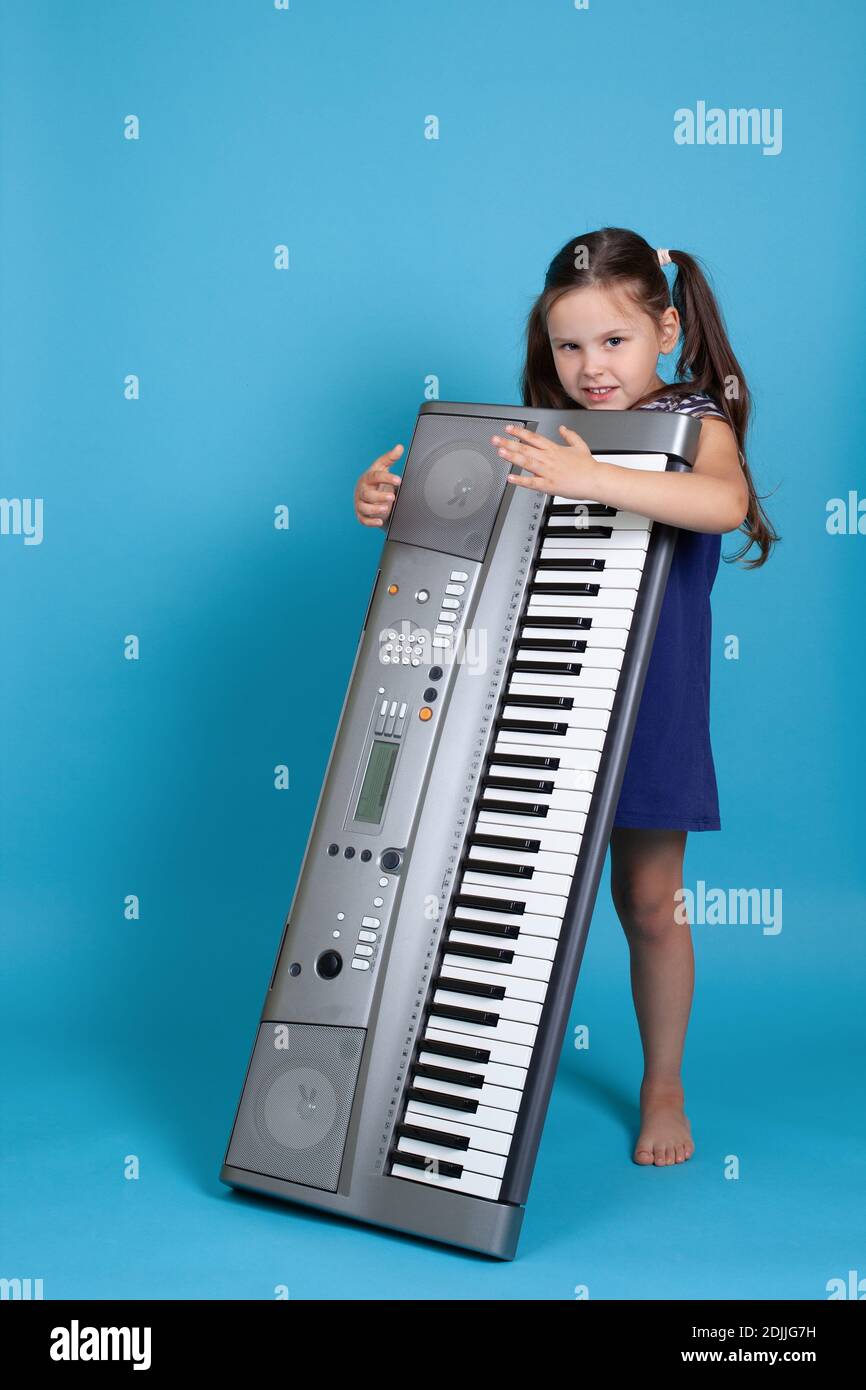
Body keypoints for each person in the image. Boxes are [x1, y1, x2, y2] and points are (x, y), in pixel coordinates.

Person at [353, 226, 778, 1167]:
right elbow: (474, 536)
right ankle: (447, 1089)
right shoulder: (542, 435)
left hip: (653, 704)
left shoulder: (691, 421)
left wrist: (594, 477)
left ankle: (662, 1083)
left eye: (614, 341)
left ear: (665, 330)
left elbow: (726, 505)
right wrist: (394, 505)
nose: (590, 366)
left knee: (650, 901)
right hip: (537, 696)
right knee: (482, 890)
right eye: (568, 345)